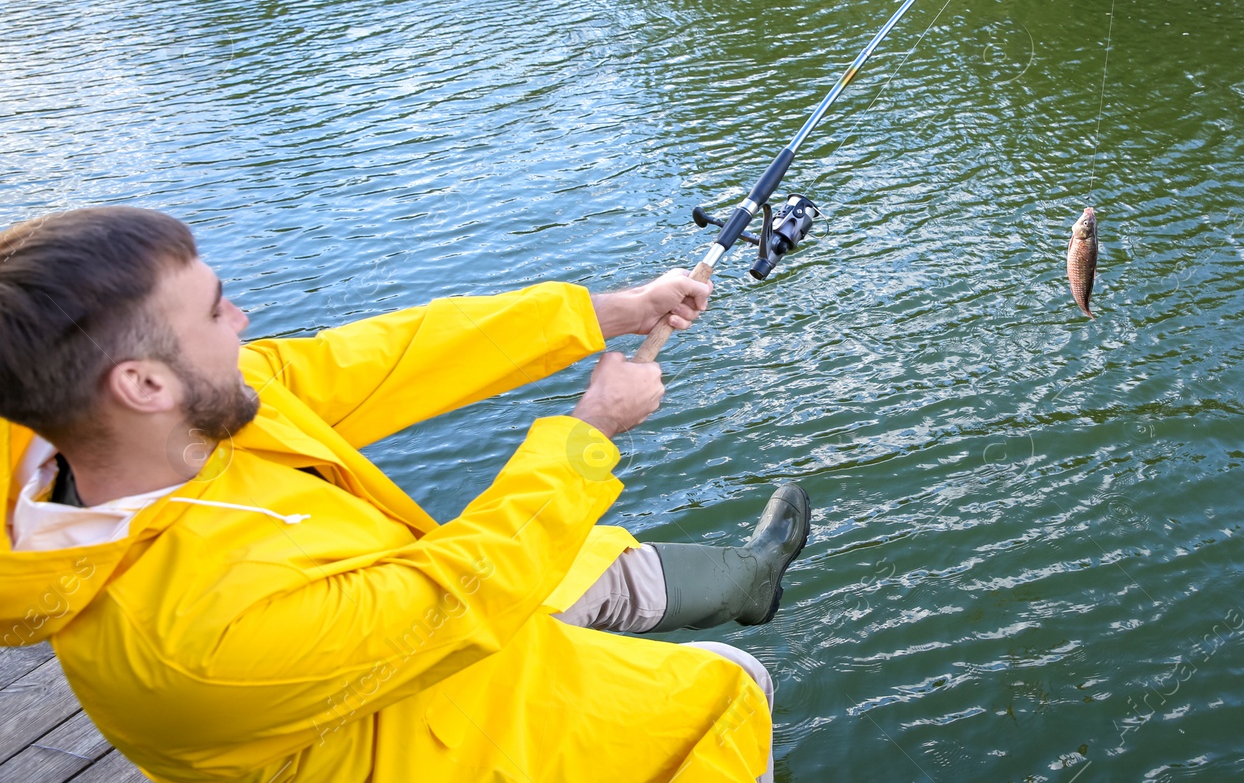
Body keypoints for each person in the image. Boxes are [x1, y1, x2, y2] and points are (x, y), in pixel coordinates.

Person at [0, 206, 810, 783]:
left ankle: (751, 577)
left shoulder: (152, 420)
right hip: (403, 740)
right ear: (140, 382)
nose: (243, 320)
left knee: (575, 562)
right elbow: (451, 597)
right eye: (215, 310)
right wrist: (590, 433)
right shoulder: (188, 649)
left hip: (387, 630)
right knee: (726, 687)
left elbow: (382, 357)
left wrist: (606, 312)